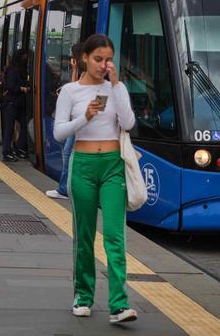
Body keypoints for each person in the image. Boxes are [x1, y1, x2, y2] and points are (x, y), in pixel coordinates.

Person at [53, 33, 137, 324]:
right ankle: (83, 295)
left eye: (108, 60)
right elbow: (59, 133)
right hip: (84, 165)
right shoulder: (70, 92)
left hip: (113, 165)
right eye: (98, 59)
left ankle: (119, 304)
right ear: (84, 59)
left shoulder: (117, 88)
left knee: (115, 236)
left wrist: (116, 86)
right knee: (84, 236)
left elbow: (128, 123)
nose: (104, 65)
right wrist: (84, 118)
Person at [47, 42, 85, 200]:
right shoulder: (84, 73)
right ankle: (66, 188)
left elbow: (75, 89)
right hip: (77, 123)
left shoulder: (89, 74)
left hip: (79, 124)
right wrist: (75, 69)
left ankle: (65, 189)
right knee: (68, 154)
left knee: (69, 155)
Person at [0, 49, 31, 162]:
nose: (26, 60)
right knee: (9, 129)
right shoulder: (12, 70)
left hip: (20, 104)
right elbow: (10, 86)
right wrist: (23, 89)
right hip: (11, 104)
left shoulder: (22, 70)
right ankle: (7, 152)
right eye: (24, 57)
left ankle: (17, 148)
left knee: (25, 126)